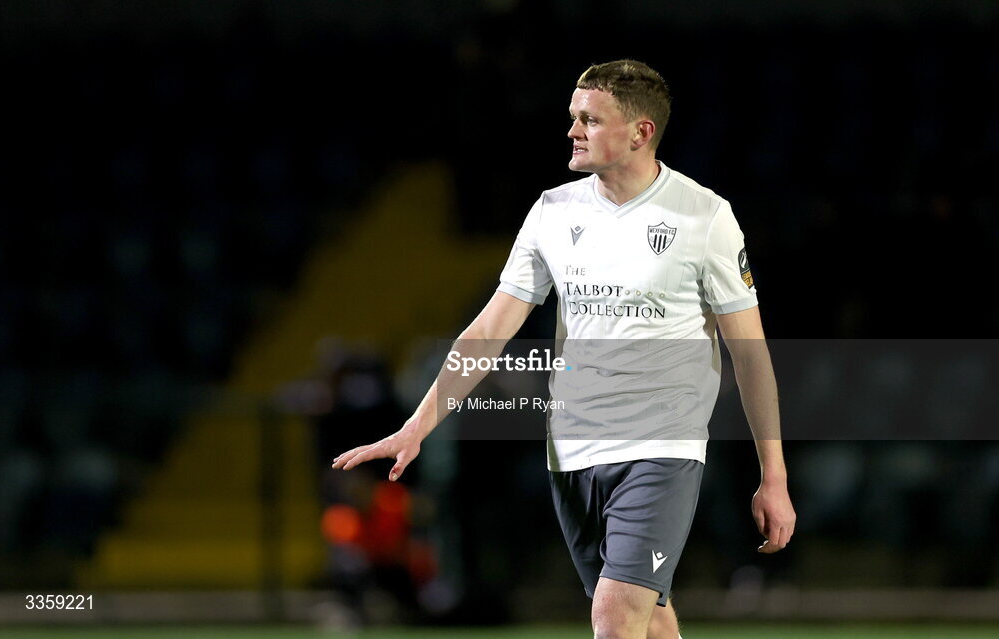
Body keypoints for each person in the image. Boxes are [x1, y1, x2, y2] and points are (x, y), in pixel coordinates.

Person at [332, 59, 796, 639]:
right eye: (572, 117)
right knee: (648, 620)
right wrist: (417, 425)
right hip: (573, 451)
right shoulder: (553, 211)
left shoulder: (705, 217)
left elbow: (750, 354)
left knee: (613, 613)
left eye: (589, 119)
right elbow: (487, 332)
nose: (572, 131)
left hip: (663, 445)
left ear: (640, 131)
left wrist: (771, 476)